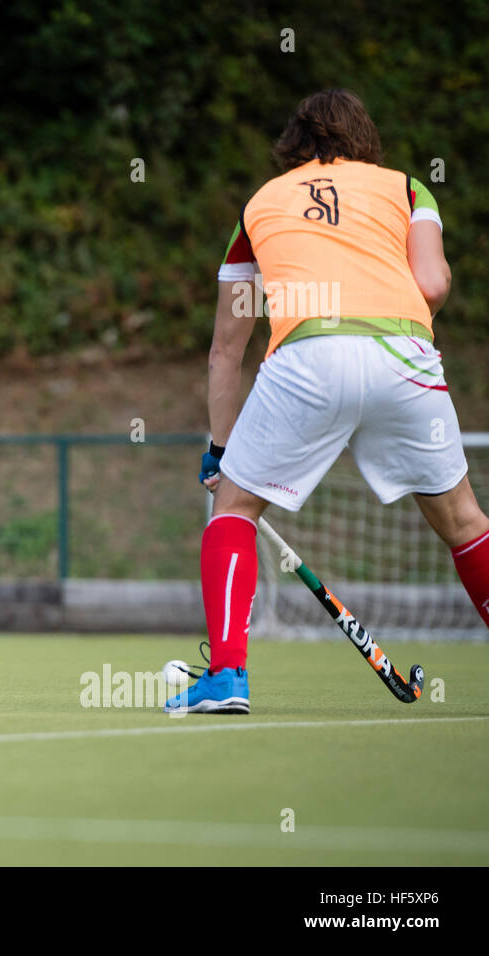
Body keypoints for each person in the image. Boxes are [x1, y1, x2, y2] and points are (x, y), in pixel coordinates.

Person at [169, 89, 489, 714]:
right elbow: (432, 283)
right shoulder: (406, 190)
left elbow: (226, 351)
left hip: (307, 357)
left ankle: (227, 678)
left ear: (296, 144)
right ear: (363, 138)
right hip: (403, 355)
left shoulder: (260, 203)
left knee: (234, 508)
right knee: (464, 521)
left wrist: (220, 449)